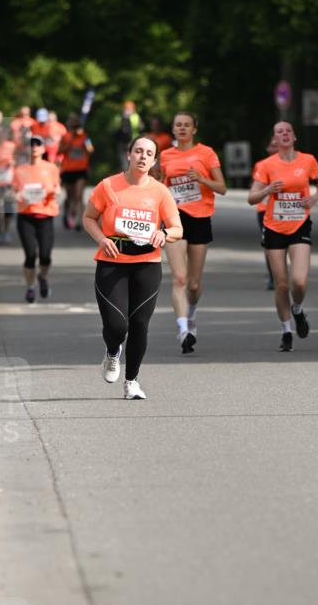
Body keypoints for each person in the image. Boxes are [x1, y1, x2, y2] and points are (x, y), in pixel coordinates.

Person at [82, 136, 182, 400]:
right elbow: (89, 217)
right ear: (129, 155)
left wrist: (165, 233)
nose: (143, 156)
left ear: (154, 160)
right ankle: (113, 351)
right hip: (112, 263)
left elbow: (177, 228)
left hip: (147, 265)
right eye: (138, 151)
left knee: (140, 324)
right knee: (116, 326)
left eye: (149, 153)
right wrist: (102, 239)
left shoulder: (160, 191)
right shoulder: (108, 186)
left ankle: (132, 382)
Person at [249, 120, 318, 352]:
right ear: (275, 139)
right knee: (281, 285)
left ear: (294, 137)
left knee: (299, 282)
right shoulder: (266, 165)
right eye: (279, 132)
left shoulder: (308, 161)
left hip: (300, 225)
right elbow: (252, 197)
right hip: (273, 227)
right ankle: (286, 331)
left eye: (287, 131)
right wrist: (267, 190)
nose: (283, 134)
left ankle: (298, 310)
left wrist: (313, 198)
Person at [159, 111, 226, 353]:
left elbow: (222, 187)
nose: (183, 128)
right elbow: (157, 186)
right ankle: (182, 330)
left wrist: (201, 178)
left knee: (194, 285)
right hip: (174, 219)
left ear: (194, 129)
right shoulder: (165, 156)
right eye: (178, 125)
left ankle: (191, 316)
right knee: (179, 278)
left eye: (187, 125)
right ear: (173, 129)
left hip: (200, 218)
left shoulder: (206, 153)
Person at [12, 136, 61, 303]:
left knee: (45, 256)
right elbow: (13, 191)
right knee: (31, 255)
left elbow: (56, 187)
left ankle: (43, 277)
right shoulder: (20, 170)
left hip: (45, 215)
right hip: (26, 216)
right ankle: (30, 287)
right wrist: (16, 195)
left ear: (43, 148)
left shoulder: (51, 168)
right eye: (31, 144)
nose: (34, 147)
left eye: (37, 144)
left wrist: (56, 192)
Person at [58, 114, 94, 230]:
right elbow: (59, 150)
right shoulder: (66, 136)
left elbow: (91, 150)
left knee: (79, 196)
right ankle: (67, 213)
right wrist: (69, 144)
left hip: (81, 170)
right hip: (68, 169)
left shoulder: (85, 137)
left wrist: (86, 146)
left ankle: (79, 220)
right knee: (69, 197)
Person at [253, 136, 278, 290]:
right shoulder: (261, 165)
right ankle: (273, 276)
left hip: (288, 212)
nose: (275, 148)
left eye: (278, 145)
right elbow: (255, 189)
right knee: (270, 245)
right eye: (272, 145)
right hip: (265, 210)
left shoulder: (295, 164)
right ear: (268, 149)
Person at [112, 101, 143, 170]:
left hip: (121, 143)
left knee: (124, 163)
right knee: (134, 162)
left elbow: (114, 129)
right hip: (133, 142)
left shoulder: (118, 117)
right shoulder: (136, 117)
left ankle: (126, 174)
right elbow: (141, 128)